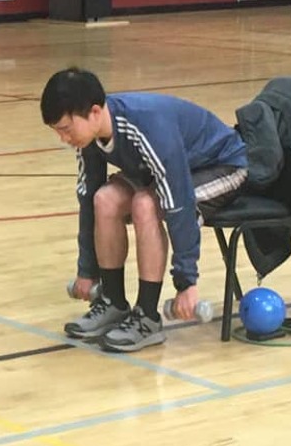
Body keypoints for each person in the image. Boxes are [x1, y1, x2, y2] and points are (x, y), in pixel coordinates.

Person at [40, 67, 248, 352]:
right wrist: (87, 271)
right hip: (169, 169)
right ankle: (113, 302)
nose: (64, 138)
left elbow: (178, 203)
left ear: (95, 112)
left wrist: (186, 282)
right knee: (105, 200)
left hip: (223, 166)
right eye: (57, 132)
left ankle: (147, 318)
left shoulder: (147, 126)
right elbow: (88, 200)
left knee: (145, 204)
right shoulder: (89, 138)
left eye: (66, 129)